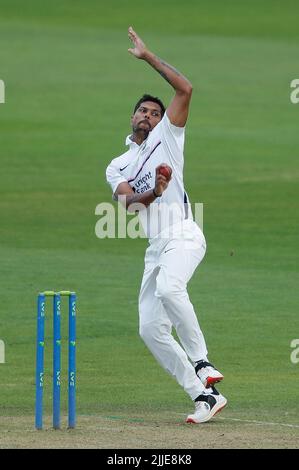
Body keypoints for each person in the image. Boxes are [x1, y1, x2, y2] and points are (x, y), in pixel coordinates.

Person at [106, 27, 227, 423]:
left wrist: (149, 58)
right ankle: (205, 396)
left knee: (170, 288)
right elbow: (124, 200)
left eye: (155, 113)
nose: (149, 116)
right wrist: (153, 194)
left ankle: (203, 362)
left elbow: (186, 89)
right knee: (150, 328)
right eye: (143, 111)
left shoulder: (169, 136)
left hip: (185, 235)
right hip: (156, 246)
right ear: (132, 117)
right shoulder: (118, 164)